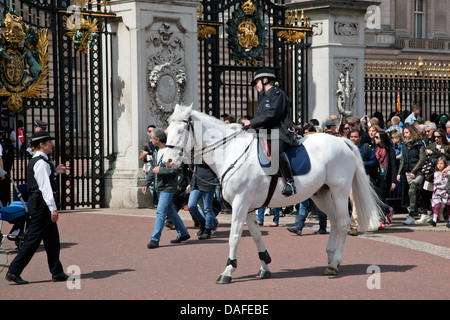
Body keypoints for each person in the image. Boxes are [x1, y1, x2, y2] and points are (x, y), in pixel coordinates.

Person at [5, 131, 70, 285]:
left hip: (41, 205)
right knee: (33, 240)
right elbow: (44, 187)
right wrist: (53, 208)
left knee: (52, 239)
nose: (52, 145)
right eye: (49, 143)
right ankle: (13, 271)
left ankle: (57, 271)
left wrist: (56, 171)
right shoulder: (40, 162)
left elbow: (45, 178)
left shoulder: (42, 161)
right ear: (41, 145)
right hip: (41, 206)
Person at [242, 68, 297, 196]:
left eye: (257, 82)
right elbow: (262, 117)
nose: (255, 86)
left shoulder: (277, 93)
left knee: (277, 150)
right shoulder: (263, 96)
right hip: (266, 132)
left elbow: (273, 115)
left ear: (265, 80)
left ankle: (290, 182)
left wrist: (252, 122)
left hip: (280, 131)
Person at [142, 128, 190, 249]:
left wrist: (161, 170)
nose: (150, 140)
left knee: (160, 212)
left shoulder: (171, 152)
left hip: (168, 187)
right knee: (170, 211)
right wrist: (146, 183)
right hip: (159, 186)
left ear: (157, 140)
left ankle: (155, 239)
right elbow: (153, 170)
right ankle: (183, 233)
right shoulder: (157, 151)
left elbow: (178, 169)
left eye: (151, 138)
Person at [348, 129, 378, 235]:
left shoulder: (366, 148)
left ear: (360, 138)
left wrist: (362, 163)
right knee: (352, 201)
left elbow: (374, 162)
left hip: (363, 177)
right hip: (350, 178)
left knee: (357, 201)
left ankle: (354, 226)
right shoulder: (346, 148)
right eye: (351, 137)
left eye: (355, 137)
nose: (353, 139)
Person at [397, 125, 426, 225]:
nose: (405, 135)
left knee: (412, 189)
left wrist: (414, 171)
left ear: (412, 133)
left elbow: (422, 159)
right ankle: (425, 212)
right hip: (408, 171)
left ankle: (411, 215)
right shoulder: (404, 145)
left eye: (407, 133)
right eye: (404, 133)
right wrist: (399, 172)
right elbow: (403, 159)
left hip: (418, 171)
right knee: (415, 193)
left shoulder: (419, 144)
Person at [187, 161, 219, 239]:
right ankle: (202, 223)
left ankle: (207, 230)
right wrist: (191, 183)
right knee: (191, 206)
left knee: (207, 209)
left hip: (208, 182)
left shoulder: (210, 153)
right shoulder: (197, 152)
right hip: (196, 183)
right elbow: (195, 169)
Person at [374, 131, 397, 229]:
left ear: (382, 139)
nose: (375, 139)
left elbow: (393, 166)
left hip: (385, 177)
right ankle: (388, 210)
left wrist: (393, 181)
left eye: (377, 137)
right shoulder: (375, 149)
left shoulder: (390, 150)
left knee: (381, 198)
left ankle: (382, 219)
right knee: (377, 198)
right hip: (377, 177)